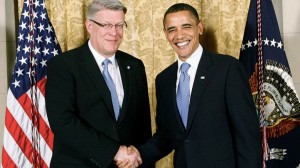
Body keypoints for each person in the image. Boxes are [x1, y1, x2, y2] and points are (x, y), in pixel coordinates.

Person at [135, 3, 262, 168]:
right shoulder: (164, 80)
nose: (179, 35)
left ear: (199, 28)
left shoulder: (227, 69)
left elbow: (247, 135)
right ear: (165, 34)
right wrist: (138, 155)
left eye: (186, 27)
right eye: (172, 29)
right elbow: (167, 134)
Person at [45, 0, 152, 167]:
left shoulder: (135, 66)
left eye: (119, 25)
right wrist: (114, 151)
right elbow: (63, 123)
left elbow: (143, 126)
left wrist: (139, 158)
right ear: (89, 26)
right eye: (106, 25)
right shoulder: (63, 65)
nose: (114, 32)